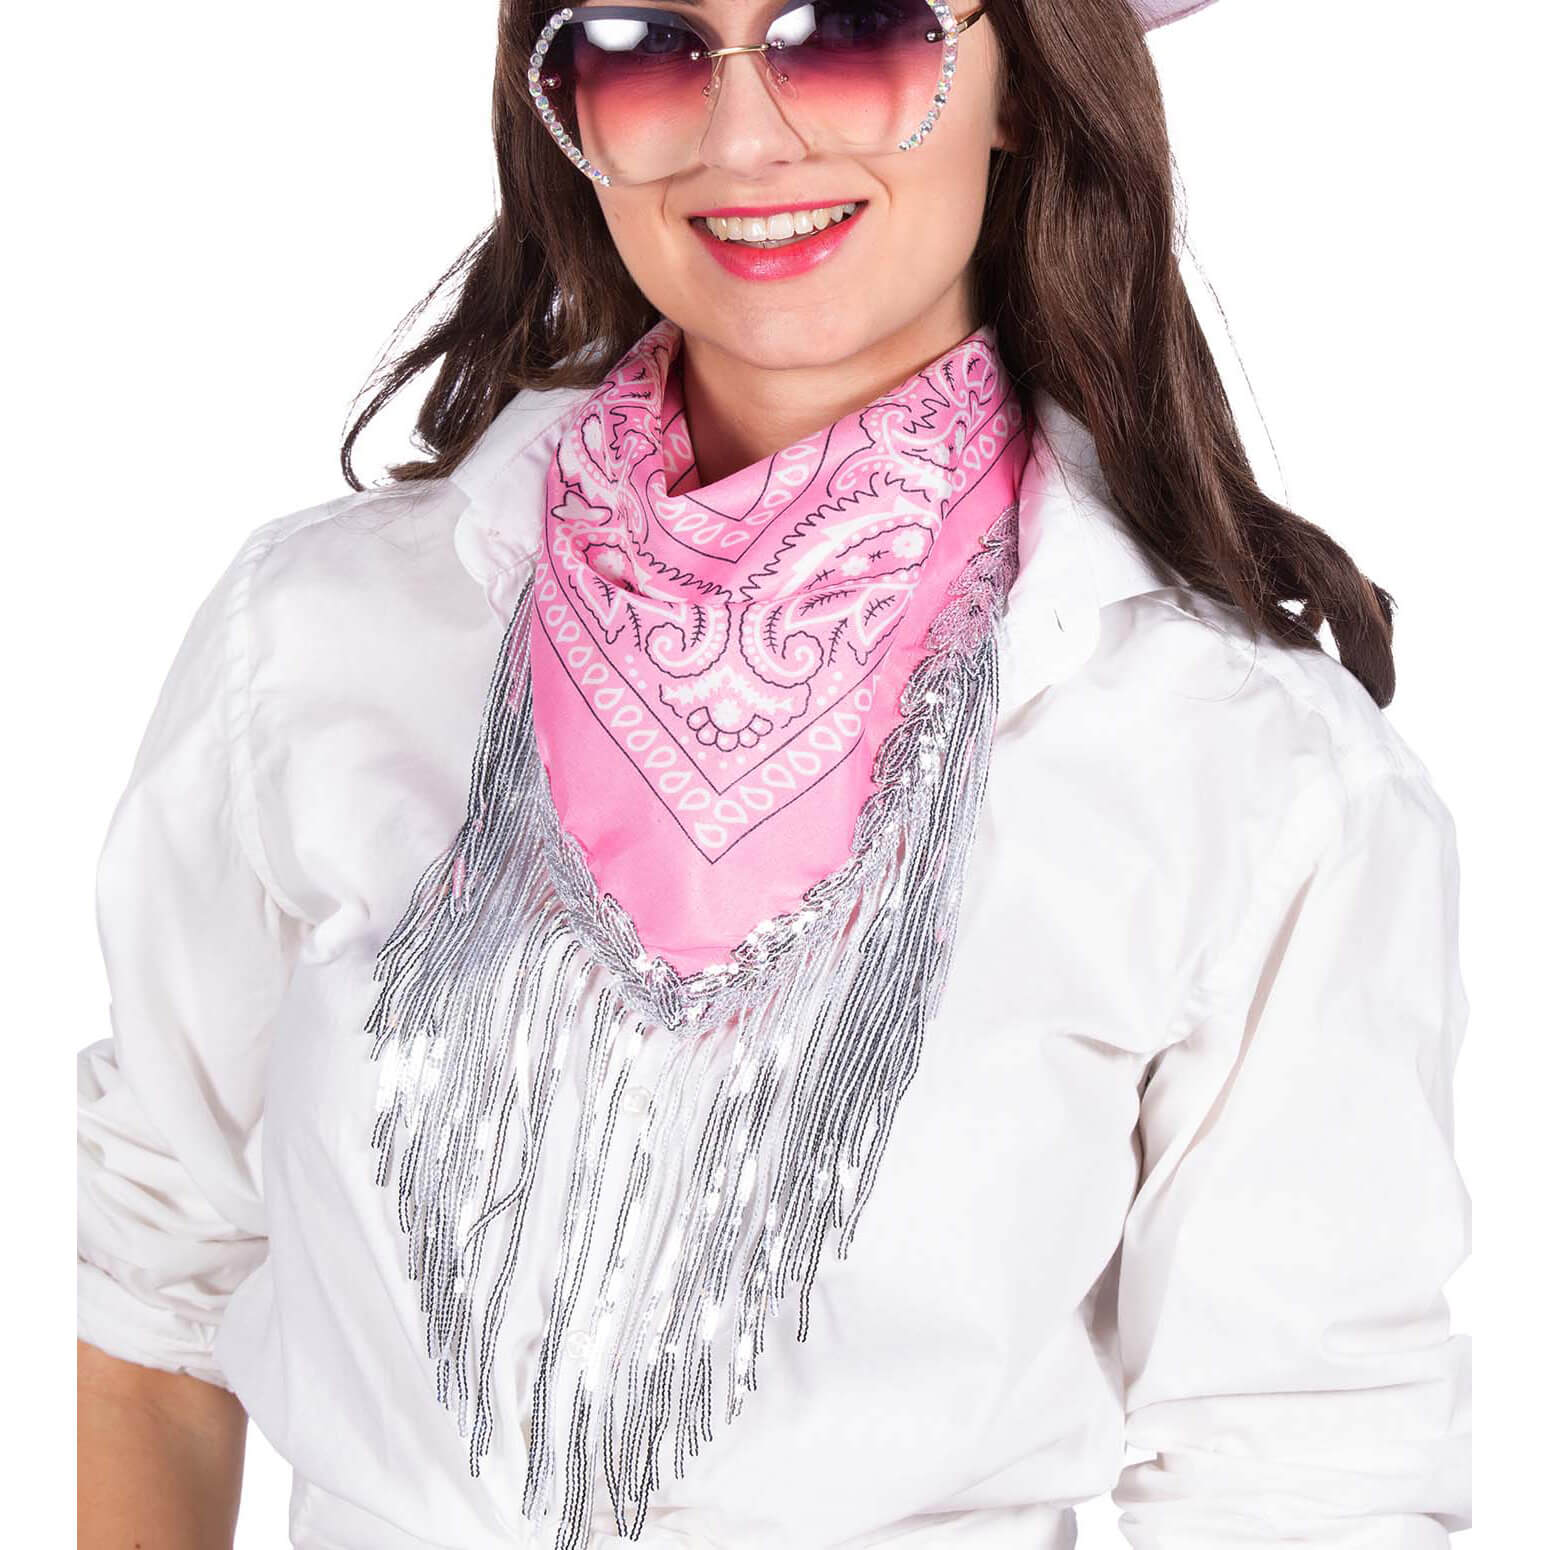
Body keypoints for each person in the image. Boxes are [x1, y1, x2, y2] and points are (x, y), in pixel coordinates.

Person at [76, 0, 1472, 1546]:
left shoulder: (1244, 765)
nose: (742, 140)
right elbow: (149, 1271)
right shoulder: (321, 633)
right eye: (642, 43)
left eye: (854, 31)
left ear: (1021, 79)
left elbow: (1298, 1465)